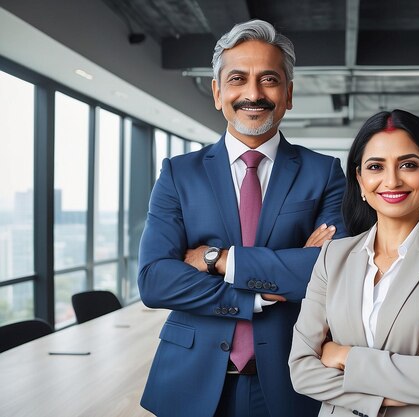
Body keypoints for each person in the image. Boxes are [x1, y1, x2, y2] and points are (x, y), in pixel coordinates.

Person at [137, 20, 347, 417]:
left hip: (290, 380)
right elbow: (155, 280)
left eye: (269, 79)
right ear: (218, 92)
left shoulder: (324, 173)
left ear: (288, 94)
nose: (253, 93)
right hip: (190, 379)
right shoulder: (179, 174)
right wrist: (258, 295)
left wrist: (218, 260)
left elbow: (333, 271)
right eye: (238, 79)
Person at [289, 109, 419, 417]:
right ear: (360, 179)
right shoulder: (332, 256)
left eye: (408, 164)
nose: (391, 181)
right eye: (376, 166)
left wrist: (344, 355)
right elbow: (301, 371)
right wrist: (415, 373)